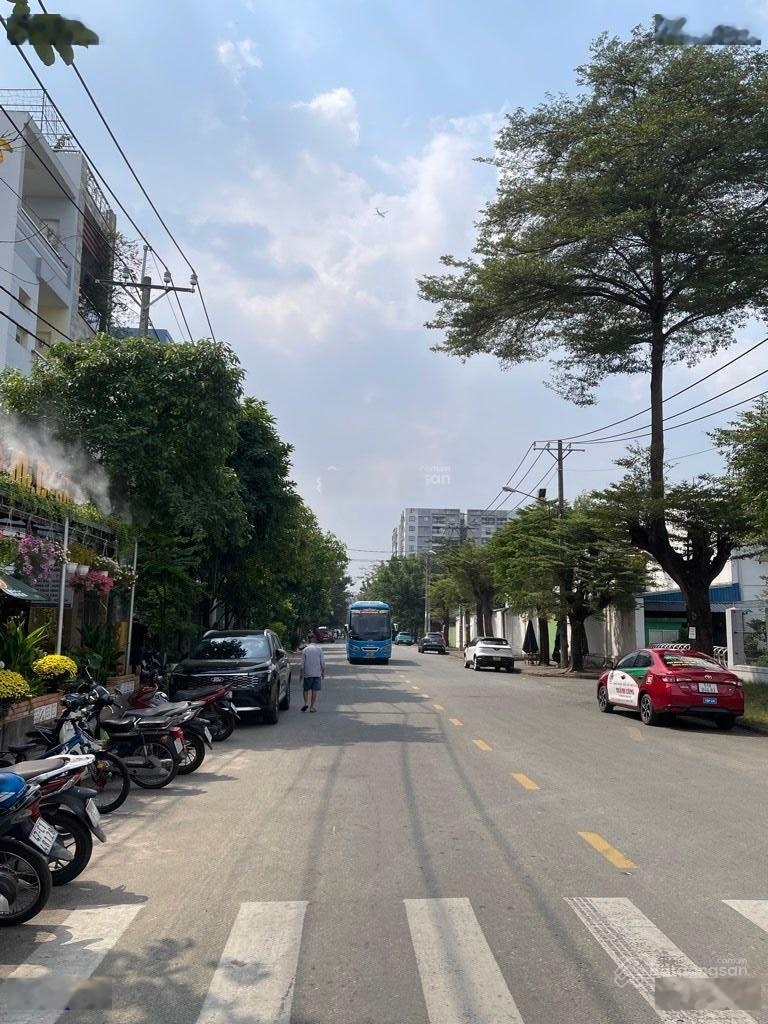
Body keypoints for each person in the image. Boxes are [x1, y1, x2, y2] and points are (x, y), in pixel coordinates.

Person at [300, 637, 326, 713]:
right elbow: (322, 662)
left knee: (305, 689)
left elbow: (302, 663)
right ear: (315, 642)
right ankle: (311, 707)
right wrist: (323, 672)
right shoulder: (319, 649)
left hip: (307, 673)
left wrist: (301, 674)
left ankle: (305, 703)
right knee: (314, 690)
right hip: (317, 673)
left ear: (309, 642)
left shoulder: (305, 650)